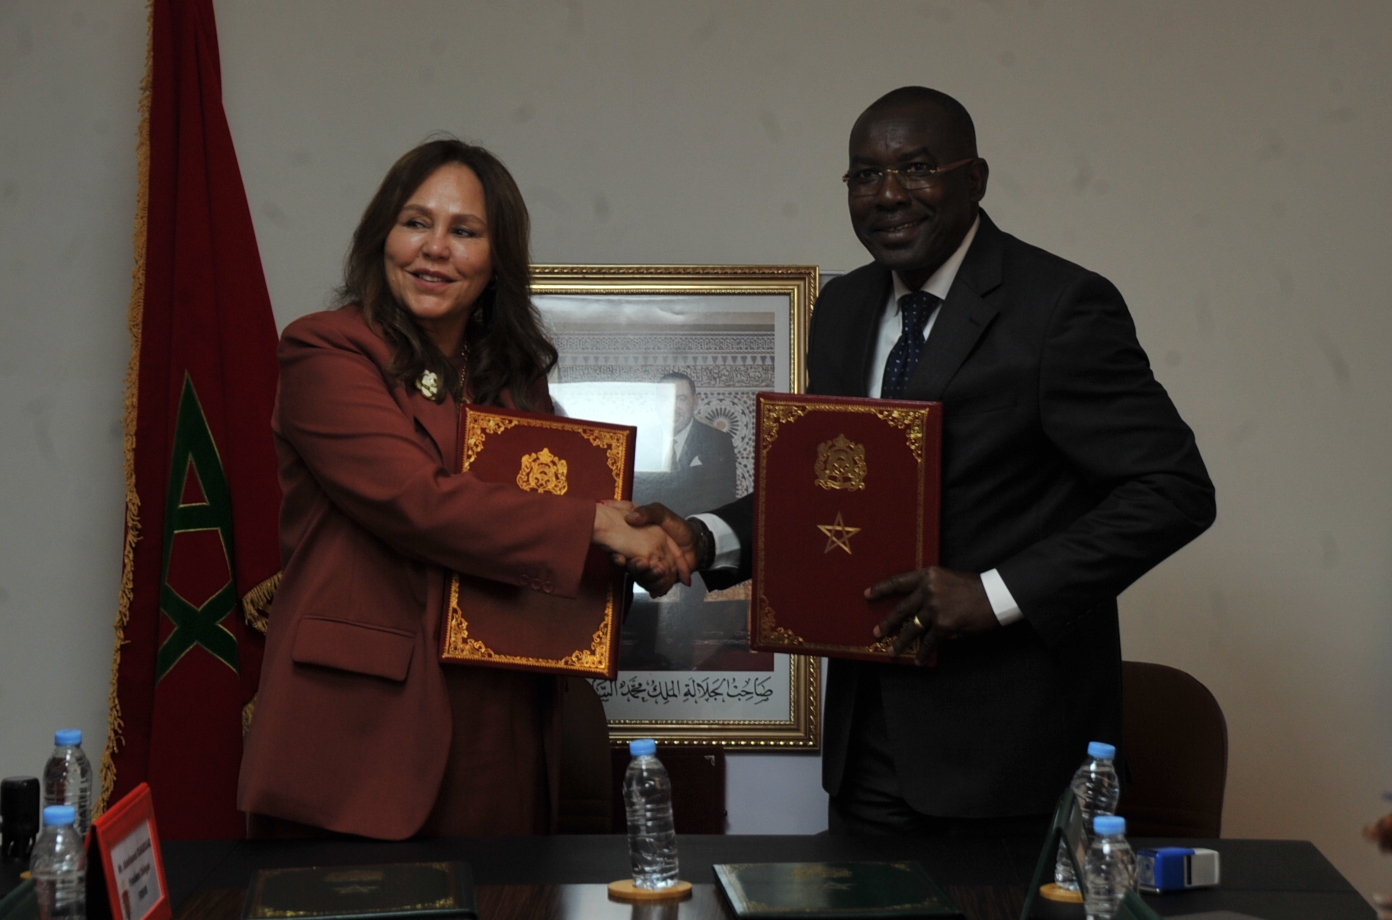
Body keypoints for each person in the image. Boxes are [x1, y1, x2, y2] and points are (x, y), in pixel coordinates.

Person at [624, 87, 1216, 835]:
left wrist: (994, 594)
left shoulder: (1061, 307)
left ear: (977, 178)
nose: (890, 195)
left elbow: (1174, 490)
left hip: (1014, 762)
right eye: (865, 175)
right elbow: (825, 489)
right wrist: (708, 537)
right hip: (867, 748)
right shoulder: (843, 309)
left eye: (917, 168)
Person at [237, 139, 687, 840]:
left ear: (495, 259)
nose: (434, 249)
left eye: (465, 231)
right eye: (416, 222)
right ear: (382, 236)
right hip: (358, 735)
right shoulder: (326, 351)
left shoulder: (512, 382)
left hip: (501, 728)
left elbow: (552, 522)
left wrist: (642, 553)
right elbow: (417, 500)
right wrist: (599, 528)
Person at [633, 372, 738, 518]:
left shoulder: (718, 441)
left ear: (695, 402)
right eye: (665, 399)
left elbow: (720, 500)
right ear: (656, 403)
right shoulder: (640, 441)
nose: (672, 407)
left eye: (681, 399)